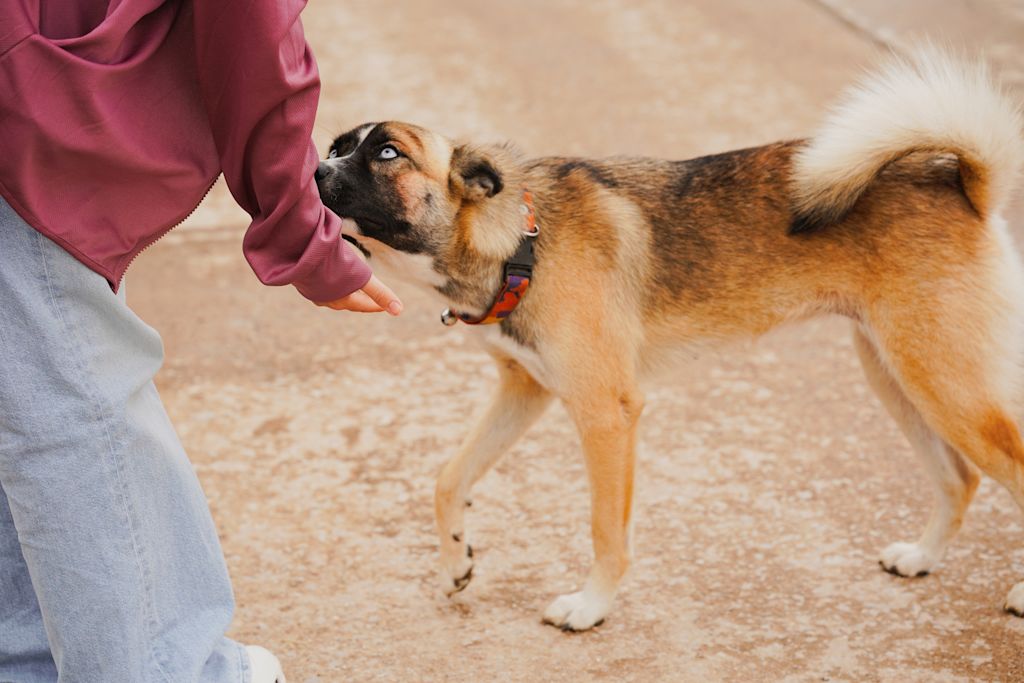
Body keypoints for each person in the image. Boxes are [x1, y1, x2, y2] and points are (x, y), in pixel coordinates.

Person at [0, 1, 400, 680]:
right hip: (26, 112)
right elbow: (254, 32)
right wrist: (303, 233)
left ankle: (38, 661)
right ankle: (163, 669)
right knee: (68, 401)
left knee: (26, 393)